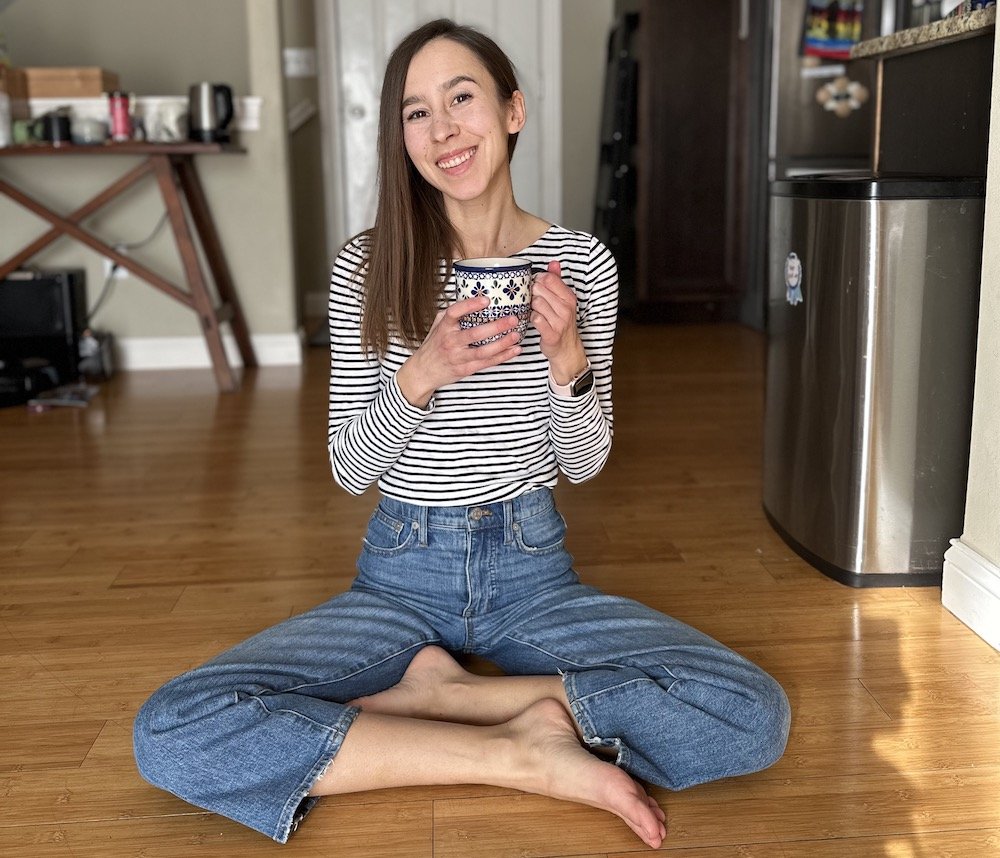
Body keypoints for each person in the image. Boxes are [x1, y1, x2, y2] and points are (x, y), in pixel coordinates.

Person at [133, 18, 790, 850]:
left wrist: (567, 367)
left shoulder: (581, 265)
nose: (441, 129)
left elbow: (584, 463)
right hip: (399, 577)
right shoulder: (366, 268)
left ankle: (450, 699)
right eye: (415, 112)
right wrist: (422, 373)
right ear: (400, 136)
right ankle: (520, 752)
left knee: (753, 713)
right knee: (171, 728)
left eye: (461, 98)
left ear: (512, 111)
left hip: (533, 573)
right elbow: (346, 467)